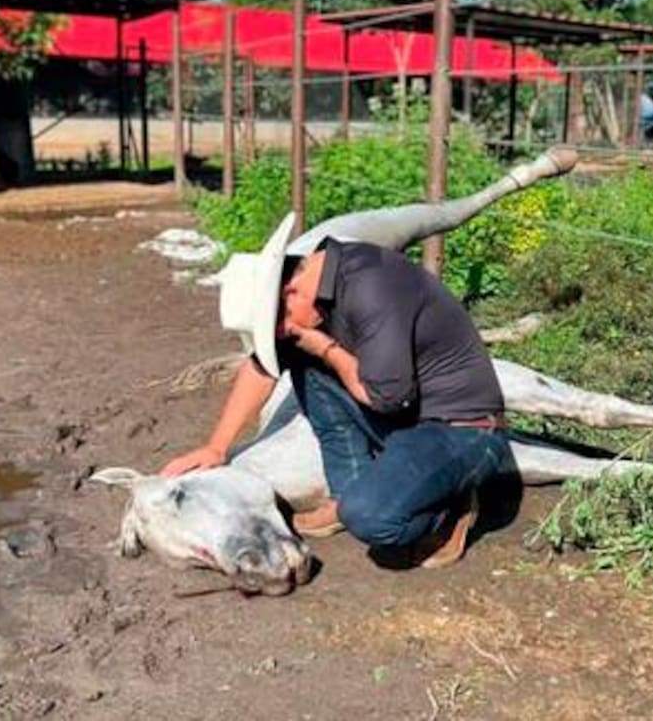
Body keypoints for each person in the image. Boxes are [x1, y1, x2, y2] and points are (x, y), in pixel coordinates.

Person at [161, 212, 511, 568]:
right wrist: (216, 446)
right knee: (303, 361)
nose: (282, 333)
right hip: (411, 417)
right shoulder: (320, 286)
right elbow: (261, 368)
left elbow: (385, 398)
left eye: (278, 325)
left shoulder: (372, 287)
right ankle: (347, 494)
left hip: (463, 430)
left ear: (291, 290)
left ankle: (448, 505)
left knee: (373, 519)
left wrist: (325, 348)